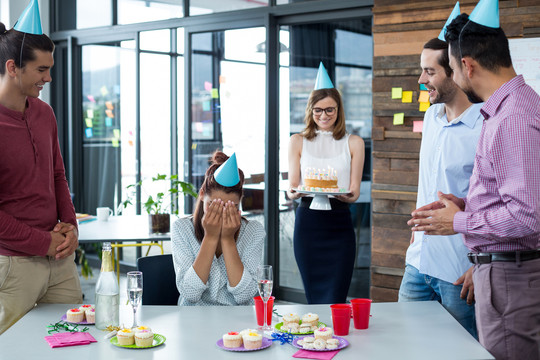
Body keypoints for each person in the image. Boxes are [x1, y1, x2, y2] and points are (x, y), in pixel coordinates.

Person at [409, 4, 540, 359]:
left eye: (450, 67)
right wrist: (468, 205)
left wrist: (459, 220)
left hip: (509, 278)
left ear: (466, 65)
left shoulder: (512, 118)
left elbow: (528, 216)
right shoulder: (508, 108)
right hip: (500, 274)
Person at [0, 3, 82, 335]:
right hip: (13, 266)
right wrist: (41, 242)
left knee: (75, 342)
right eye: (41, 69)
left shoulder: (45, 113)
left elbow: (57, 176)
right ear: (13, 68)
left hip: (60, 261)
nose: (48, 77)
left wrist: (71, 227)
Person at [398, 36, 483, 339]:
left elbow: (495, 200)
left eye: (430, 72)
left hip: (459, 271)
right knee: (406, 345)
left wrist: (482, 266)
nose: (422, 80)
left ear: (456, 72)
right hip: (418, 263)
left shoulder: (486, 127)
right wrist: (414, 236)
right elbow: (428, 184)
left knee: (463, 352)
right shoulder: (431, 117)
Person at [287, 63, 365, 304]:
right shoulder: (297, 141)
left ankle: (335, 339)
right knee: (313, 295)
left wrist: (347, 196)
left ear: (339, 110)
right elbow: (292, 187)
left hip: (339, 223)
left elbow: (354, 194)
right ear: (310, 110)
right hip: (308, 224)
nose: (324, 116)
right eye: (318, 110)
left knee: (336, 295)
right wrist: (293, 193)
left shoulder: (354, 142)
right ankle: (316, 340)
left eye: (330, 110)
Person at [171, 152, 265, 306]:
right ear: (202, 194)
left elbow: (245, 295)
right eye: (214, 205)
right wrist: (210, 237)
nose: (221, 214)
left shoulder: (253, 231)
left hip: (237, 322)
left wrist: (228, 239)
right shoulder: (181, 229)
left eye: (231, 207)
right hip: (194, 320)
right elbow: (190, 294)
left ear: (240, 201)